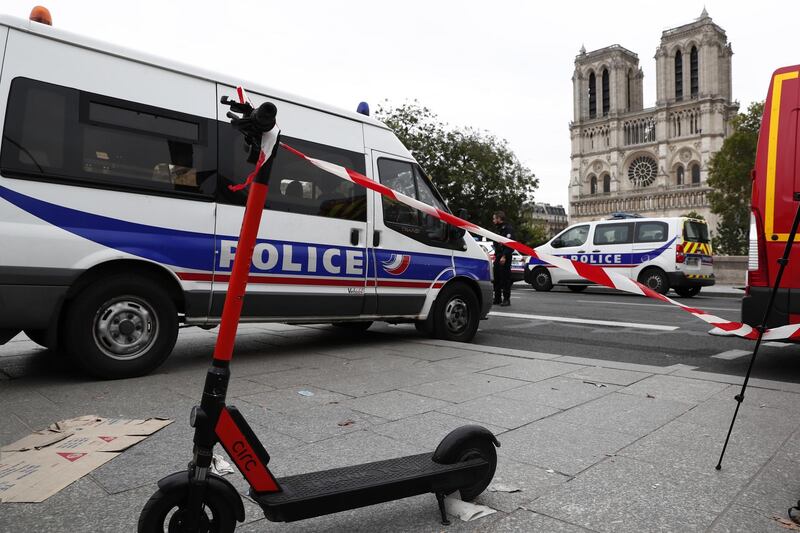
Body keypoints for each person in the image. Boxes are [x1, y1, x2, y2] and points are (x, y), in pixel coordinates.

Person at [492, 211, 514, 306]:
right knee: (496, 278)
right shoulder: (499, 229)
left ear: (499, 219)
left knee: (505, 278)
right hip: (498, 256)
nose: (493, 221)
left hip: (505, 256)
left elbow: (510, 245)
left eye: (494, 218)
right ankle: (497, 298)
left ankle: (506, 299)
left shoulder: (508, 229)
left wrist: (504, 256)